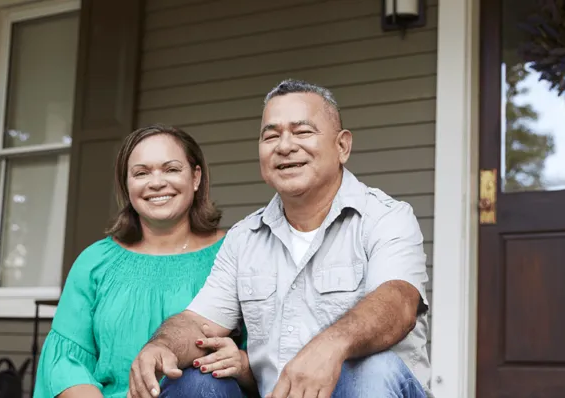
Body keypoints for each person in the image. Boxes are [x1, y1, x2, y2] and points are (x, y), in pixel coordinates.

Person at [129, 79, 432, 398]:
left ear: (342, 146)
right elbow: (198, 323)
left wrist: (331, 345)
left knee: (373, 369)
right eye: (271, 136)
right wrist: (161, 346)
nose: (285, 146)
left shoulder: (386, 217)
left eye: (302, 132)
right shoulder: (245, 237)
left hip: (370, 391)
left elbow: (398, 303)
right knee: (193, 383)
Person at [32, 125, 257, 398]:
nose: (157, 182)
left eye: (171, 169)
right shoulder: (94, 262)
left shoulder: (235, 252)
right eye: (141, 173)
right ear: (126, 186)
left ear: (196, 177)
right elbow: (66, 365)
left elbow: (264, 361)